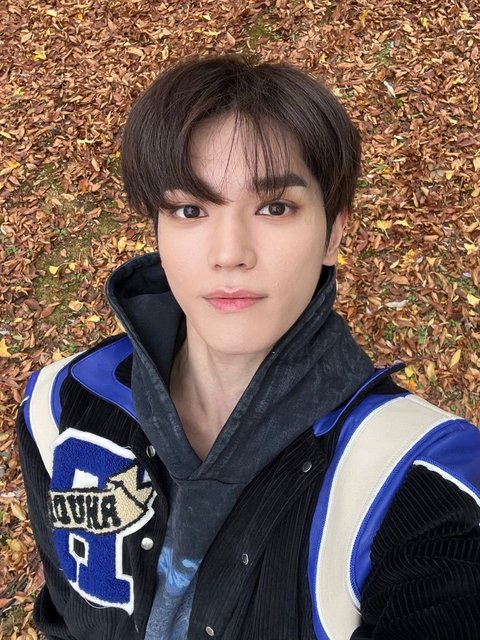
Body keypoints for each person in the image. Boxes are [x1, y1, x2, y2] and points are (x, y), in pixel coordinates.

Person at [17, 55, 480, 640]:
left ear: (334, 231)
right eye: (190, 209)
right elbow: (64, 616)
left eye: (274, 207)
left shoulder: (420, 481)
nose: (230, 252)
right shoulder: (60, 405)